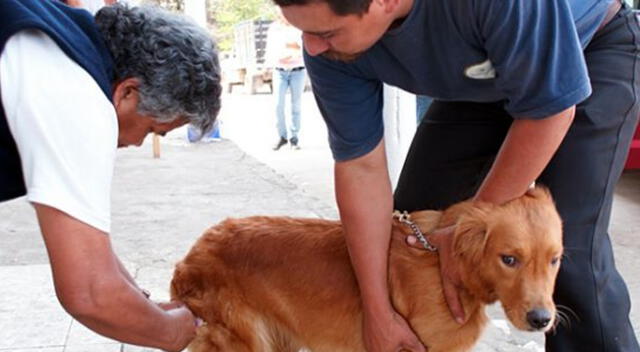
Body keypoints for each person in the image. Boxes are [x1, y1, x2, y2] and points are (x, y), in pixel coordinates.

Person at [272, 0, 640, 351]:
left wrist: (470, 224)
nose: (311, 48)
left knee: (566, 251)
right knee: (418, 239)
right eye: (303, 31)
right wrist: (378, 311)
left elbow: (549, 113)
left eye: (327, 33)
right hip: (478, 81)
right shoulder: (327, 51)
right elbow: (361, 168)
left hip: (587, 51)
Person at [0, 1, 221, 351]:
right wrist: (174, 332)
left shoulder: (63, 40)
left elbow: (86, 245)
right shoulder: (78, 97)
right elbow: (90, 293)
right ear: (127, 92)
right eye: (152, 130)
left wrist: (141, 303)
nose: (135, 143)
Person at [265, 16, 306, 150]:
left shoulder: (299, 25)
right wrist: (268, 65)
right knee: (278, 104)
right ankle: (282, 136)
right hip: (280, 70)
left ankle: (294, 138)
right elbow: (270, 49)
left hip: (298, 70)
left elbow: (303, 46)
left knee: (296, 106)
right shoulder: (275, 29)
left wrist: (293, 47)